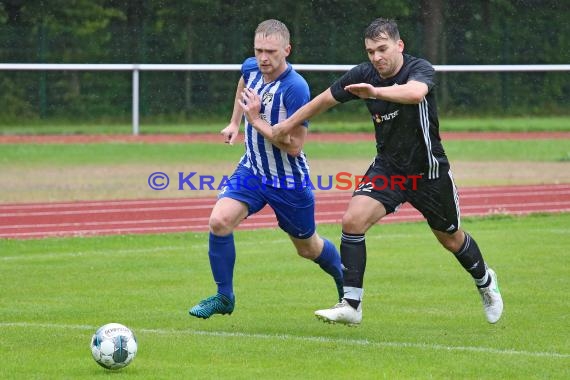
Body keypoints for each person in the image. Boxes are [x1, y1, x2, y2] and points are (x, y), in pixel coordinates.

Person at [272, 18, 503, 325]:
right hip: (389, 169)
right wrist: (287, 125)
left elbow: (415, 94)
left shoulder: (419, 69)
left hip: (428, 172)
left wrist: (376, 94)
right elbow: (325, 99)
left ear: (399, 45)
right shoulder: (364, 74)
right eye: (370, 51)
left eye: (382, 49)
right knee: (352, 221)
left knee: (450, 239)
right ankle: (351, 305)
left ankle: (485, 280)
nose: (376, 57)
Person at [189, 19, 344, 319]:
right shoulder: (251, 68)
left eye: (271, 52)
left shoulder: (295, 88)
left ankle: (345, 282)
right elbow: (243, 83)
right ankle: (224, 297)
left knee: (308, 248)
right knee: (219, 222)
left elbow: (295, 145)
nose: (263, 58)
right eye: (259, 50)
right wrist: (236, 121)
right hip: (252, 170)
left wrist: (255, 120)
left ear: (287, 50)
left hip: (287, 179)